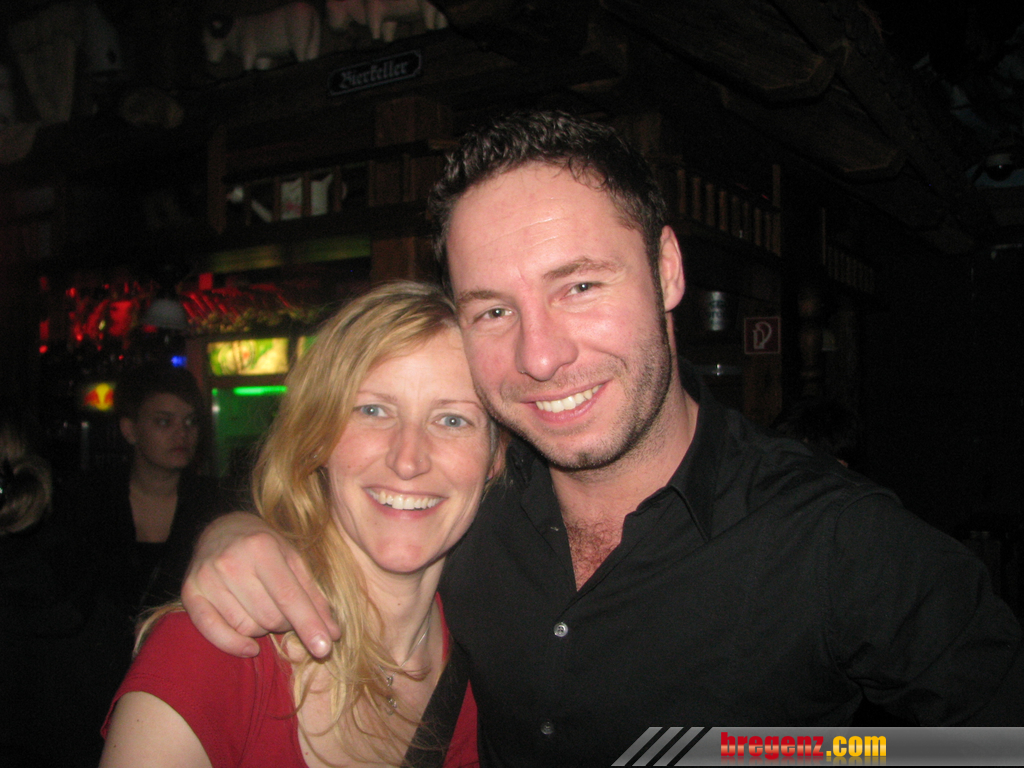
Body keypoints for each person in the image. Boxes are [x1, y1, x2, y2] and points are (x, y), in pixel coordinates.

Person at [179, 112, 1024, 764]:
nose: (540, 356)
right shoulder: (463, 496)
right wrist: (233, 533)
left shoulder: (837, 542)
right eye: (494, 310)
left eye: (579, 286)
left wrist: (772, 753)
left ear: (667, 271)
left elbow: (995, 742)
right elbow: (325, 523)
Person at [101, 282, 499, 767]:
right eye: (373, 410)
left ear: (496, 456)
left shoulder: (504, 655)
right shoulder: (216, 647)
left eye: (453, 420)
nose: (408, 460)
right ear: (318, 437)